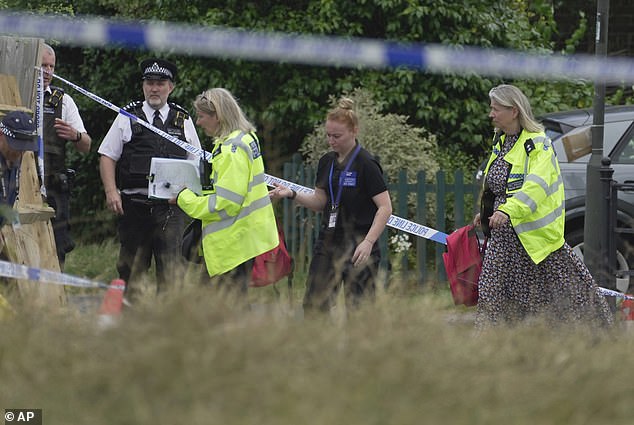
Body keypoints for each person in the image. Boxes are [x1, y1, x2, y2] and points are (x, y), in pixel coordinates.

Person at [473, 84, 613, 329]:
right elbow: (498, 186)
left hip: (537, 243)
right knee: (491, 299)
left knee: (574, 302)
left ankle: (596, 344)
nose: (491, 114)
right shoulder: (501, 141)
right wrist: (486, 213)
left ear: (514, 111)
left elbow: (535, 187)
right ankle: (489, 350)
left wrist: (507, 210)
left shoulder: (539, 144)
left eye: (496, 109)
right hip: (503, 241)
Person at [270, 97, 392, 316]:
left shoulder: (366, 164)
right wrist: (292, 194)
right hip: (328, 242)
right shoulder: (327, 161)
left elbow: (385, 207)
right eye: (328, 135)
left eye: (337, 136)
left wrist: (368, 241)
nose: (331, 141)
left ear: (354, 131)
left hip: (359, 245)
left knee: (360, 311)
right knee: (314, 306)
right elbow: (320, 202)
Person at [98, 58, 201, 301]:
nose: (154, 88)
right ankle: (131, 326)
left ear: (171, 87)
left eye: (160, 83)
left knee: (171, 272)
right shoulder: (127, 116)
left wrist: (187, 193)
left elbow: (195, 160)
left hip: (170, 210)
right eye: (150, 83)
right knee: (131, 271)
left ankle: (166, 327)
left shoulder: (182, 119)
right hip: (134, 209)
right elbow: (107, 155)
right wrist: (111, 191)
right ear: (143, 86)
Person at [175, 88, 278, 298]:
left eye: (202, 116)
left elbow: (225, 204)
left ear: (218, 116)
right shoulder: (245, 138)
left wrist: (183, 198)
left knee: (221, 313)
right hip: (241, 239)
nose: (198, 122)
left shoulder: (232, 150)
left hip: (232, 244)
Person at [40, 43, 92, 268]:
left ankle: (56, 299)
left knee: (57, 249)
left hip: (53, 188)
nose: (48, 72)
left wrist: (76, 135)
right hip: (17, 187)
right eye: (43, 65)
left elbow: (87, 146)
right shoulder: (14, 94)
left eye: (51, 66)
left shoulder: (64, 101)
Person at [0, 111, 39, 225]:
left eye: (24, 148)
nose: (20, 153)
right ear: (1, 134)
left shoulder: (14, 159)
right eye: (15, 146)